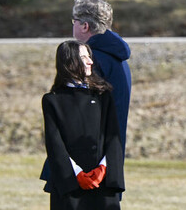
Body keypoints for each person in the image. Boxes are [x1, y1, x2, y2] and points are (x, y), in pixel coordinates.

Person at [42, 40, 125, 209]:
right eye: (83, 57)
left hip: (103, 182)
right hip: (70, 184)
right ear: (69, 61)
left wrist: (103, 168)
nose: (90, 61)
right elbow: (54, 143)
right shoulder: (52, 100)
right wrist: (76, 173)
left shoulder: (103, 96)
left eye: (89, 56)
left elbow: (113, 138)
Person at [71, 0, 132, 155]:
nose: (73, 26)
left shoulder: (93, 60)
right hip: (108, 153)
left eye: (74, 21)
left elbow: (82, 113)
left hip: (90, 159)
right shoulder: (117, 58)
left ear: (85, 26)